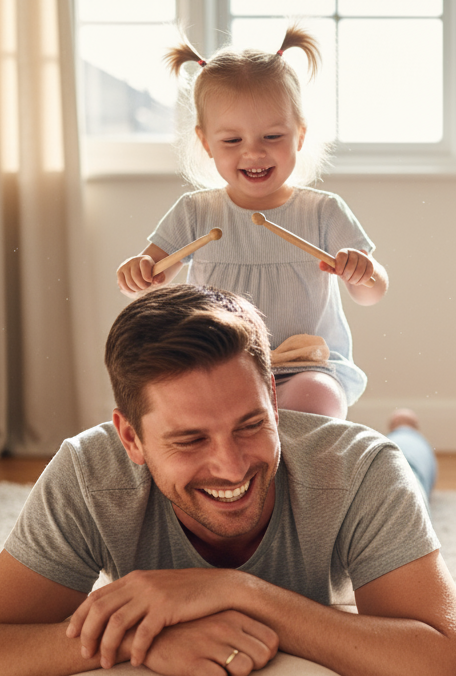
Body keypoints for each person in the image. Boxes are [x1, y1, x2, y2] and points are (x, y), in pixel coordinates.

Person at [0, 285, 456, 676]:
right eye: (189, 440)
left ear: (276, 407)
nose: (232, 466)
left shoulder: (362, 468)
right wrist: (142, 639)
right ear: (131, 439)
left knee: (410, 461)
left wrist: (236, 591)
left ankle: (409, 432)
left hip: (383, 462)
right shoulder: (90, 476)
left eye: (251, 424)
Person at [116, 26, 386, 419]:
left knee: (317, 398)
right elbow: (151, 278)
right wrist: (137, 275)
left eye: (273, 135)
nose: (254, 152)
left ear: (300, 135)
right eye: (231, 141)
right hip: (218, 364)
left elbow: (372, 292)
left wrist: (364, 273)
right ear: (206, 142)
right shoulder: (195, 212)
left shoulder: (323, 211)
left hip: (303, 368)